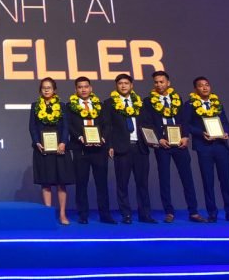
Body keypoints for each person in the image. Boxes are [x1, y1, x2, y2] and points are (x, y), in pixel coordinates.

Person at [143, 71, 205, 223]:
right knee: (164, 179)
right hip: (162, 145)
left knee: (187, 178)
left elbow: (184, 120)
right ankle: (169, 212)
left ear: (168, 83)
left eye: (162, 81)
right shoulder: (148, 101)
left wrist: (185, 136)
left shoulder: (177, 98)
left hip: (179, 144)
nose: (159, 84)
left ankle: (193, 212)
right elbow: (148, 123)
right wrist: (159, 139)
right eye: (156, 82)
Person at [186, 76, 229, 223]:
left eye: (207, 85)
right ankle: (212, 213)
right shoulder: (190, 104)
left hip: (220, 146)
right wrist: (201, 133)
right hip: (204, 147)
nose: (205, 87)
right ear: (195, 89)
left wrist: (226, 132)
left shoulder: (216, 103)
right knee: (208, 181)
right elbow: (187, 125)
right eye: (201, 85)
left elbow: (224, 121)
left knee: (226, 180)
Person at [105, 73, 155, 224]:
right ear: (116, 86)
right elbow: (107, 127)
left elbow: (147, 123)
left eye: (126, 83)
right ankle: (126, 214)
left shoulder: (140, 103)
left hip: (140, 148)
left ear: (131, 85)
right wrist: (110, 145)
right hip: (121, 148)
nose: (123, 86)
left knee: (142, 183)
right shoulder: (109, 103)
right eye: (120, 83)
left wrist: (152, 139)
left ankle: (145, 215)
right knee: (122, 184)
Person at [64, 76, 115, 224]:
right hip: (80, 149)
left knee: (102, 183)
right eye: (80, 87)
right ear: (76, 89)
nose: (83, 89)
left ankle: (105, 215)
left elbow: (107, 125)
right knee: (81, 184)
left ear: (90, 88)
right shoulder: (70, 106)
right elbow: (69, 126)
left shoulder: (100, 105)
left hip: (99, 149)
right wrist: (80, 137)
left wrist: (103, 138)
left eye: (86, 87)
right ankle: (83, 215)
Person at [29, 77, 74, 225]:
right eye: (44, 87)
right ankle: (48, 214)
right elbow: (32, 127)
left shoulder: (62, 106)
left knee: (62, 183)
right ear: (40, 90)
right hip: (42, 148)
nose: (46, 90)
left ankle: (62, 214)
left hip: (60, 148)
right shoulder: (35, 106)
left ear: (54, 89)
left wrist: (63, 142)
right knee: (46, 182)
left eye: (49, 87)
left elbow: (66, 126)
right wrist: (36, 142)